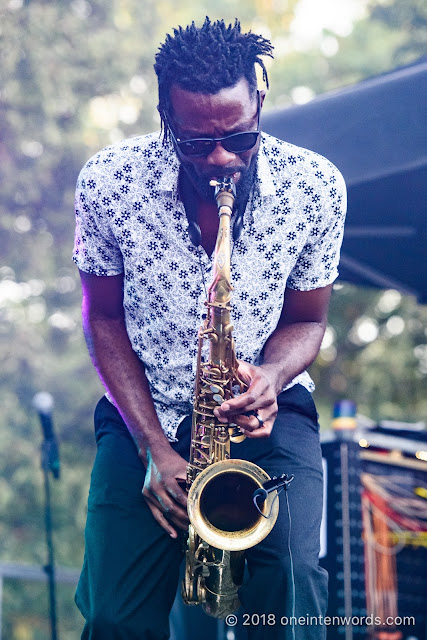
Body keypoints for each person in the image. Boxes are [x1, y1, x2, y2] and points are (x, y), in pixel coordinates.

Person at [73, 17, 346, 640]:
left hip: (261, 415)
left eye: (239, 136)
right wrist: (153, 449)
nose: (221, 158)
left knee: (294, 583)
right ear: (167, 117)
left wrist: (272, 376)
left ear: (260, 98)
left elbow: (307, 320)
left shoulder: (315, 188)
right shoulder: (110, 181)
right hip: (147, 412)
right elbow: (104, 318)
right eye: (197, 143)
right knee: (116, 615)